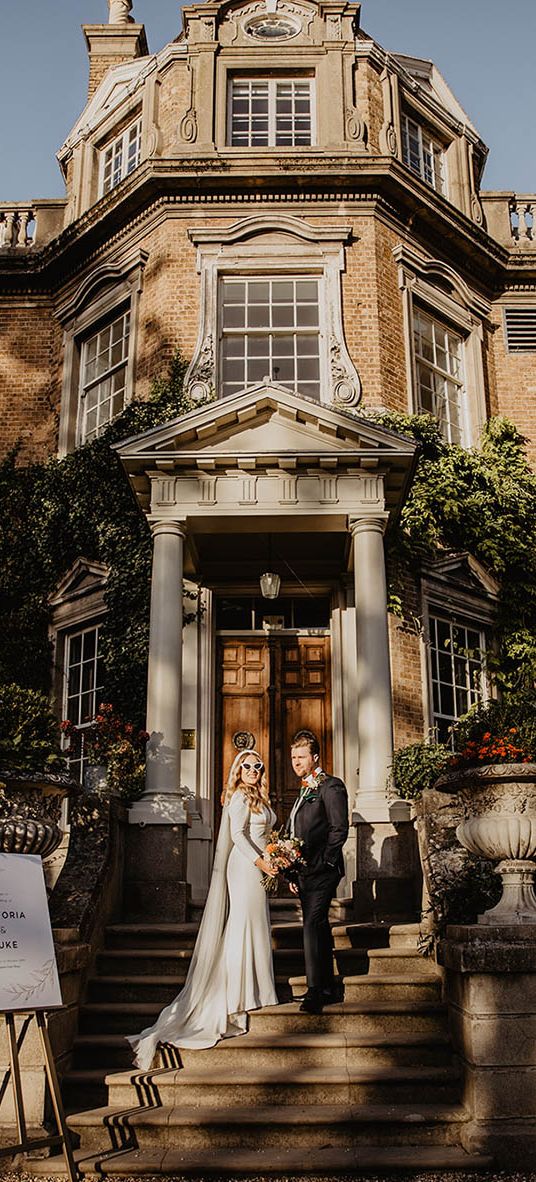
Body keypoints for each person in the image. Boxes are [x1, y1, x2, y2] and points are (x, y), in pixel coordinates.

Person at [128, 749, 278, 1070]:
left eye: (258, 765)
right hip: (245, 867)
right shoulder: (238, 797)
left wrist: (276, 856)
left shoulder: (259, 797)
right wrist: (262, 862)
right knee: (241, 925)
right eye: (247, 765)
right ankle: (238, 996)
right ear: (237, 770)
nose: (253, 769)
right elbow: (237, 836)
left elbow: (263, 834)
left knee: (255, 924)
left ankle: (257, 988)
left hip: (260, 865)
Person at [286, 730, 349, 1014]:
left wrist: (325, 863)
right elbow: (295, 833)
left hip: (324, 870)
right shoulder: (303, 790)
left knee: (311, 924)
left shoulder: (331, 786)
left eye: (301, 757)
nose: (296, 762)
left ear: (315, 757)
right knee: (318, 925)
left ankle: (314, 991)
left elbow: (339, 829)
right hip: (303, 872)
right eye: (293, 757)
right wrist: (291, 872)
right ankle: (326, 987)